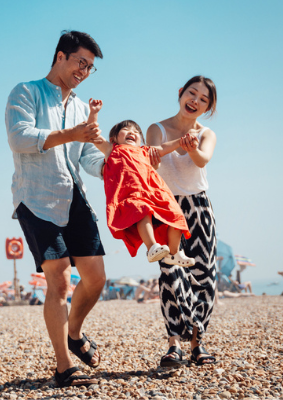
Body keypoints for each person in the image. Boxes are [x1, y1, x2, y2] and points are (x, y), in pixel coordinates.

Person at [5, 30, 108, 387]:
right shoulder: (26, 91)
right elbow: (19, 137)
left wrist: (116, 167)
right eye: (81, 62)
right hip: (35, 197)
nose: (84, 71)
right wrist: (71, 134)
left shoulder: (80, 107)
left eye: (90, 67)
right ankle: (64, 367)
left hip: (74, 195)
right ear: (60, 56)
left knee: (96, 278)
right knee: (60, 279)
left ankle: (73, 333)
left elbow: (88, 156)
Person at [148, 76, 220, 368]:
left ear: (207, 108)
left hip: (199, 206)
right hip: (166, 207)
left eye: (203, 99)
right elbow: (150, 159)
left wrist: (190, 147)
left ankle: (197, 343)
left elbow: (202, 159)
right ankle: (173, 344)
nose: (195, 101)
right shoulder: (157, 128)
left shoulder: (207, 133)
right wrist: (175, 144)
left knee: (204, 274)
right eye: (192, 93)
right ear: (180, 93)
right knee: (170, 272)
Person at [89, 114, 195, 267]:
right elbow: (94, 136)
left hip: (156, 192)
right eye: (126, 129)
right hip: (132, 195)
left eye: (136, 131)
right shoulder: (112, 150)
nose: (132, 132)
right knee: (142, 211)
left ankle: (174, 253)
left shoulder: (145, 151)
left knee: (176, 214)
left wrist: (180, 141)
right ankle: (152, 247)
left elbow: (163, 148)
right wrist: (94, 113)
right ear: (113, 139)